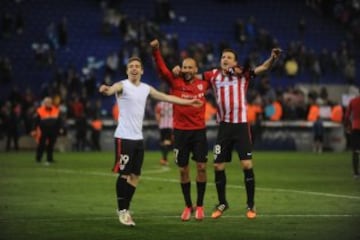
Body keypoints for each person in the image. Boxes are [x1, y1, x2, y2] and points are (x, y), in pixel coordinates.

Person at [98, 56, 202, 227]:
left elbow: (167, 98)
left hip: (138, 138)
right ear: (127, 70)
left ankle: (125, 208)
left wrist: (189, 101)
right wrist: (106, 89)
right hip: (124, 137)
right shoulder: (122, 85)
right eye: (131, 66)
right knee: (124, 174)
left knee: (136, 176)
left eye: (137, 66)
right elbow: (111, 89)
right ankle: (122, 210)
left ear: (142, 70)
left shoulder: (146, 88)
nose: (134, 68)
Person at [201, 47, 282, 219]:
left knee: (246, 165)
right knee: (217, 166)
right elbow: (194, 79)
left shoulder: (243, 76)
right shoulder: (213, 75)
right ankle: (222, 203)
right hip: (224, 127)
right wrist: (181, 73)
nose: (225, 59)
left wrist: (272, 58)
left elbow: (264, 68)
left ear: (235, 62)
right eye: (223, 56)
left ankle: (251, 205)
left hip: (241, 126)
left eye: (229, 57)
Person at [150, 39, 210, 221]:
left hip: (199, 132)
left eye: (191, 67)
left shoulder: (204, 83)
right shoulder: (174, 82)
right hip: (181, 132)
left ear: (196, 70)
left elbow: (221, 77)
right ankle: (187, 206)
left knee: (201, 167)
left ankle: (200, 205)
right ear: (181, 68)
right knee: (183, 171)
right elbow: (162, 70)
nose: (187, 70)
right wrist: (156, 51)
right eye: (185, 67)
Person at [32, 97, 63, 165]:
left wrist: (61, 128)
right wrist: (34, 129)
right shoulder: (40, 110)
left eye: (49, 102)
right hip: (43, 130)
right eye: (47, 102)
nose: (48, 103)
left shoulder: (56, 110)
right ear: (44, 103)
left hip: (53, 130)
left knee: (51, 145)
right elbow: (36, 121)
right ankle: (38, 158)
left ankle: (50, 159)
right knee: (41, 144)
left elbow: (59, 120)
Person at [344, 91, 360, 179]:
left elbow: (347, 116)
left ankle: (356, 173)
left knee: (356, 151)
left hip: (356, 128)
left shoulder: (353, 101)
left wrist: (347, 126)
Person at [154, 100, 173, 166]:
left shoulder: (159, 104)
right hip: (170, 125)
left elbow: (157, 114)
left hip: (162, 125)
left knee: (163, 142)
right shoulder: (173, 103)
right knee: (167, 142)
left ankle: (164, 159)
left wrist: (159, 123)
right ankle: (164, 158)